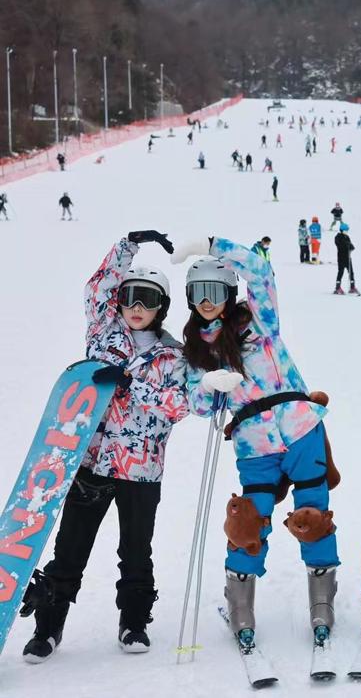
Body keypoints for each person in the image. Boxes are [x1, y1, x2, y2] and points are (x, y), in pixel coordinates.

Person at [19, 231, 186, 662]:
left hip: (141, 471)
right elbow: (97, 288)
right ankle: (48, 628)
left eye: (148, 300)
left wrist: (133, 386)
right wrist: (127, 245)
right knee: (70, 548)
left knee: (136, 551)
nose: (137, 307)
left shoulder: (174, 357)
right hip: (91, 461)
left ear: (162, 307)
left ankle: (134, 623)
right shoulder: (103, 333)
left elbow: (179, 406)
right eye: (130, 297)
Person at [173, 236, 340, 653]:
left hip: (300, 429)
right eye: (198, 292)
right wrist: (208, 384)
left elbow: (261, 273)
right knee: (248, 521)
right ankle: (241, 607)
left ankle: (322, 604)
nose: (206, 301)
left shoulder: (259, 321)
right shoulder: (196, 351)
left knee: (312, 515)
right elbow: (197, 404)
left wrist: (212, 244)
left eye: (215, 292)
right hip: (254, 445)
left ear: (229, 293)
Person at [334, 223, 358, 295]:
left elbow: (351, 245)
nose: (346, 231)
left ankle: (352, 287)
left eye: (347, 230)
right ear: (342, 230)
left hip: (347, 257)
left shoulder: (347, 237)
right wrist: (346, 244)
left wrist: (351, 246)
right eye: (345, 230)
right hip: (341, 257)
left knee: (351, 272)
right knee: (340, 272)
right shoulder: (338, 237)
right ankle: (337, 288)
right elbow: (339, 245)